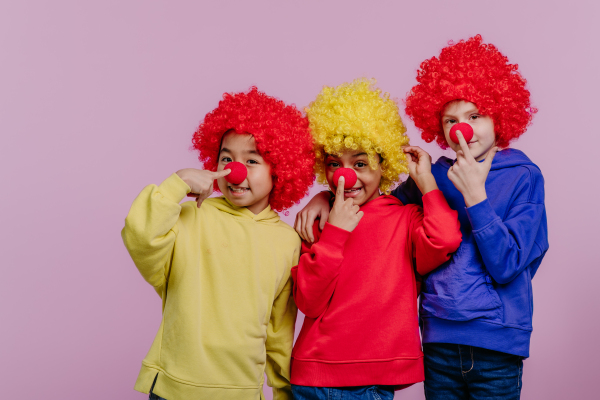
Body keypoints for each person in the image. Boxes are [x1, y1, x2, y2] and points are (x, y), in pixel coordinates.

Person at [294, 36, 549, 400]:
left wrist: (476, 198)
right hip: (438, 338)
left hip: (497, 339)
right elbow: (375, 203)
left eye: (475, 116)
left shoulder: (524, 176)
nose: (463, 129)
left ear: (500, 113)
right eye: (450, 120)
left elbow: (508, 264)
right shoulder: (433, 175)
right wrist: (323, 196)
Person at [121, 87, 315, 400]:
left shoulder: (287, 241)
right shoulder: (190, 215)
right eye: (226, 158)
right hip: (174, 388)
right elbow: (140, 236)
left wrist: (283, 390)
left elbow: (280, 328)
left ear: (279, 168)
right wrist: (177, 183)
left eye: (251, 160)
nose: (233, 171)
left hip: (241, 391)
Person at [290, 79, 462, 400]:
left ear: (384, 166)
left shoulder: (404, 217)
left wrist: (425, 182)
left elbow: (445, 240)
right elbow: (308, 301)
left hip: (371, 381)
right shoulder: (319, 220)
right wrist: (335, 232)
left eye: (360, 163)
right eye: (333, 164)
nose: (346, 176)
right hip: (313, 376)